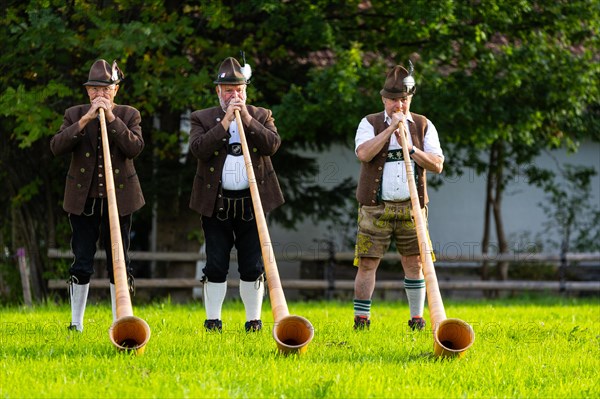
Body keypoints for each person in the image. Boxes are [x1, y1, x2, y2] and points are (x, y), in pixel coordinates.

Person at [189, 56, 284, 332]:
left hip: (252, 203)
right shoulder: (202, 118)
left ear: (246, 90)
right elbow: (199, 149)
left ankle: (253, 320)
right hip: (216, 202)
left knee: (252, 264)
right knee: (216, 263)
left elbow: (272, 145)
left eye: (239, 90)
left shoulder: (261, 115)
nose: (234, 95)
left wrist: (247, 119)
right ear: (218, 91)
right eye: (228, 90)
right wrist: (225, 122)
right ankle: (213, 320)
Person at [51, 59, 144, 332]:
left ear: (115, 90)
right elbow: (56, 146)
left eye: (105, 89)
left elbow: (134, 147)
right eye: (94, 89)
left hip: (122, 201)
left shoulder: (129, 114)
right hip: (83, 203)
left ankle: (122, 321)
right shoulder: (74, 113)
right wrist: (86, 119)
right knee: (81, 261)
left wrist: (111, 118)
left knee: (119, 261)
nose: (99, 95)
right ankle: (76, 323)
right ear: (87, 91)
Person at [352, 62, 444, 331]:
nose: (398, 106)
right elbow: (363, 154)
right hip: (374, 207)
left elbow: (437, 165)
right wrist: (391, 130)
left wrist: (411, 148)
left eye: (403, 99)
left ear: (410, 98)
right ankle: (362, 319)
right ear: (383, 99)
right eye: (392, 100)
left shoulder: (424, 125)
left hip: (412, 207)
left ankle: (416, 318)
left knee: (415, 262)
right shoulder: (369, 123)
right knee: (368, 261)